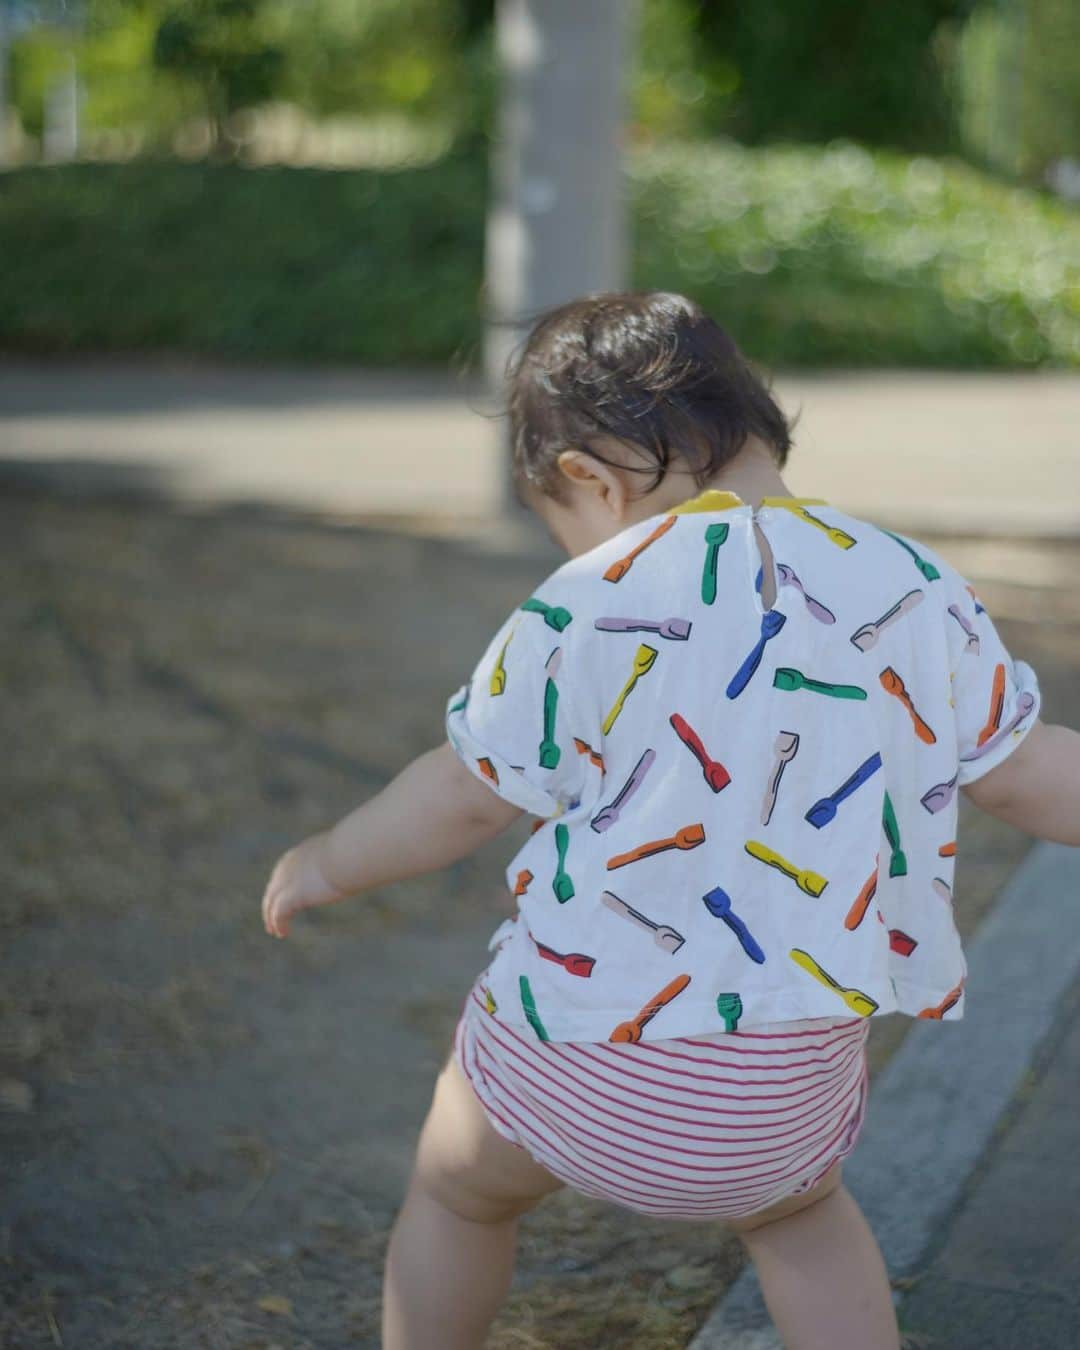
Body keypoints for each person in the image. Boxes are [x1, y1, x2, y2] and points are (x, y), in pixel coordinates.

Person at [260, 291, 1073, 1350]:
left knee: (458, 1195)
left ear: (587, 482)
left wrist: (329, 861)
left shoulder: (581, 601)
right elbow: (1026, 775)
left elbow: (462, 795)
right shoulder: (910, 584)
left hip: (571, 1052)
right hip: (783, 1084)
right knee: (805, 1224)